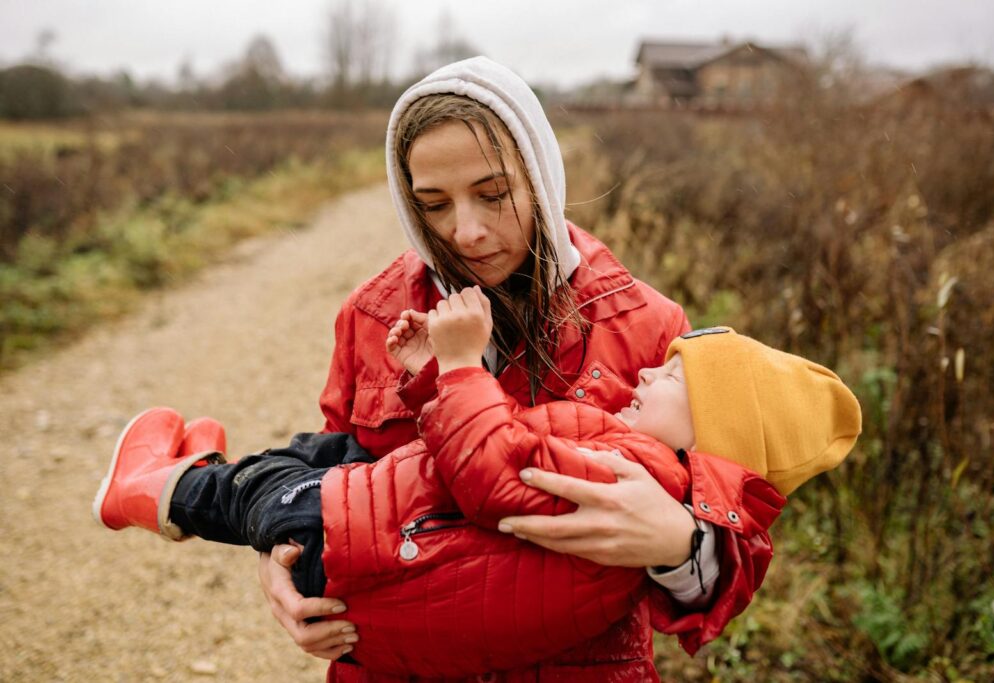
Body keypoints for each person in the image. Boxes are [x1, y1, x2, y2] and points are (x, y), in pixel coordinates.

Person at [203, 55, 787, 680]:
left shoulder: (648, 325)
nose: (467, 232)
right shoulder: (373, 315)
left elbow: (729, 548)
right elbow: (334, 481)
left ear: (539, 175)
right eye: (433, 205)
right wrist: (281, 559)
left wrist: (681, 544)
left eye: (493, 194)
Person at [93, 285, 861, 678]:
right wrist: (435, 378)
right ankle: (199, 473)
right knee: (317, 452)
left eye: (671, 379)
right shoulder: (644, 455)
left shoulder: (637, 470)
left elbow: (492, 475)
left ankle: (152, 488)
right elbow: (503, 448)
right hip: (400, 530)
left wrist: (462, 365)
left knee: (262, 488)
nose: (648, 374)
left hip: (379, 548)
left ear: (711, 431)